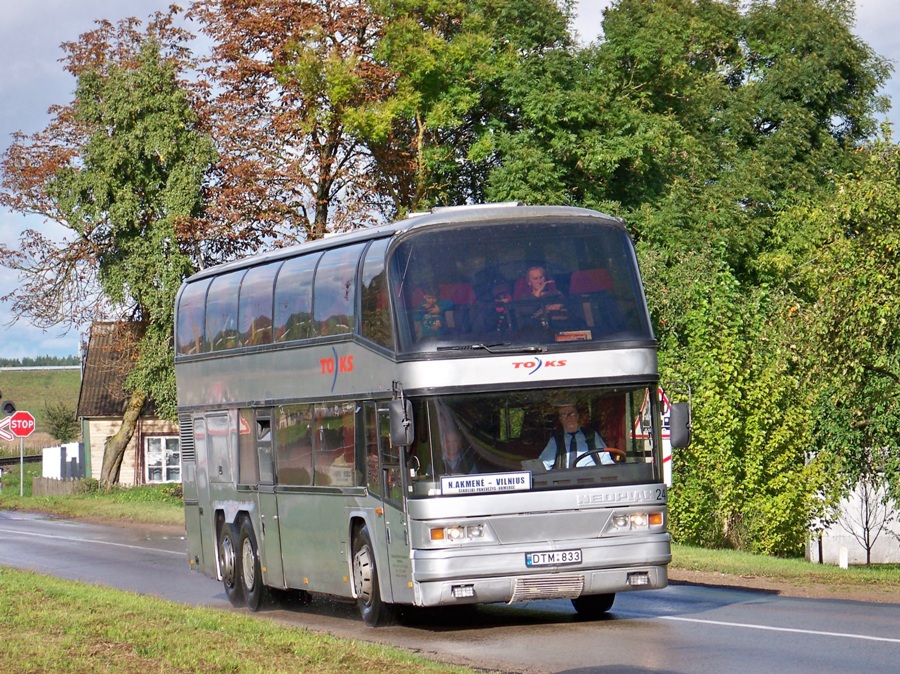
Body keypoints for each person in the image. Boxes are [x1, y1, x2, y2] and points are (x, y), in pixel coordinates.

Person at [539, 404, 615, 469]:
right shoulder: (556, 439)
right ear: (560, 419)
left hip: (591, 479)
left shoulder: (591, 435)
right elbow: (544, 464)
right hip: (566, 481)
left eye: (571, 413)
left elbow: (605, 459)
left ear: (578, 416)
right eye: (564, 415)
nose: (568, 417)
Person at [517, 265, 569, 330]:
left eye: (541, 277)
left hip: (562, 328)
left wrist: (560, 305)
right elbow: (528, 311)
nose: (539, 281)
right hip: (539, 332)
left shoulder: (555, 294)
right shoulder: (525, 298)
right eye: (535, 279)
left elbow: (567, 306)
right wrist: (539, 291)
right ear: (529, 283)